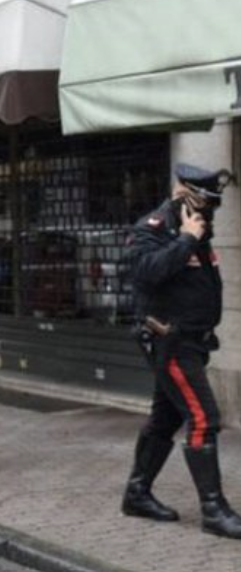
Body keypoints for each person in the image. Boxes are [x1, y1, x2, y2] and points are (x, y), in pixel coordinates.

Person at [122, 162, 241, 539]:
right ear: (184, 193)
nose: (210, 210)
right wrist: (186, 239)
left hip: (193, 340)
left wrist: (194, 236)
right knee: (204, 417)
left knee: (166, 418)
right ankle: (213, 510)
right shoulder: (154, 228)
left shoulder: (199, 230)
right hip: (169, 341)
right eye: (206, 202)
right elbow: (145, 272)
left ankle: (137, 494)